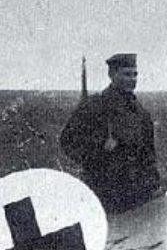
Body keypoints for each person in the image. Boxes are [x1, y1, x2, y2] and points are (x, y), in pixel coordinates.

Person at [61, 53, 160, 214]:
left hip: (137, 193)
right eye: (126, 74)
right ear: (112, 75)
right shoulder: (95, 106)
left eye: (135, 74)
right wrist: (100, 148)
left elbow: (149, 155)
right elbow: (68, 141)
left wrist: (154, 185)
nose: (132, 79)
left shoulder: (141, 113)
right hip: (105, 191)